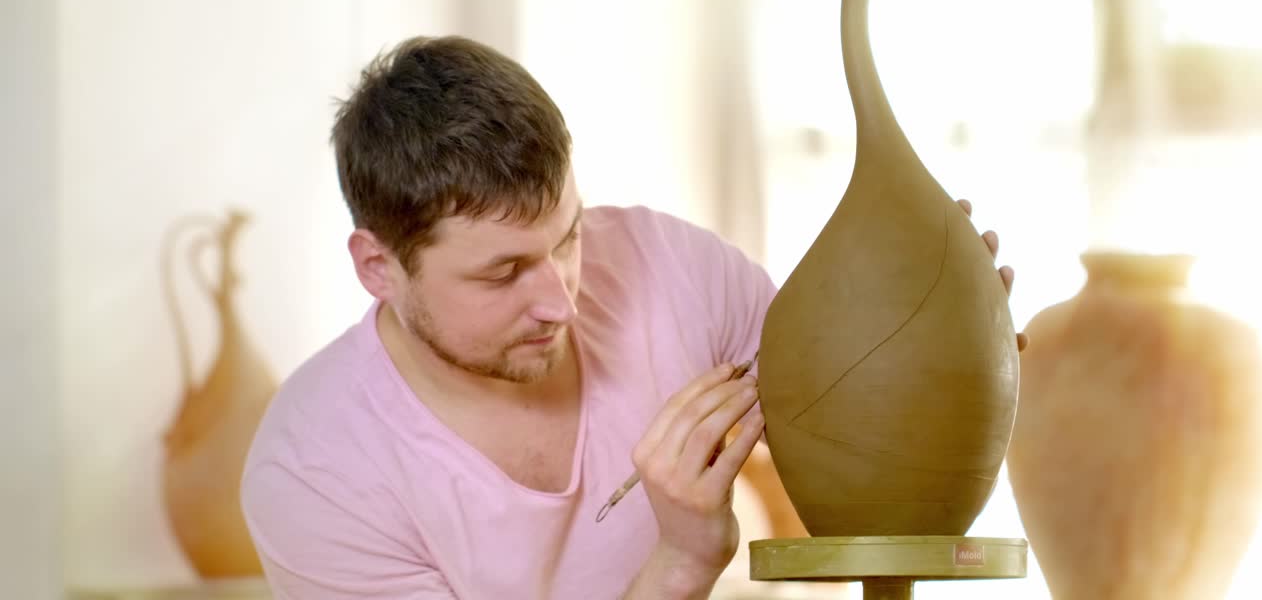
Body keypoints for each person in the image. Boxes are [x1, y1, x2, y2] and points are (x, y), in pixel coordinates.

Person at [240, 35, 1024, 599]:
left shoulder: (670, 267)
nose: (560, 300)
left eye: (568, 238)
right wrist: (680, 563)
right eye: (502, 273)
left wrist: (938, 338)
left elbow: (853, 402)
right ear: (377, 267)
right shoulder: (317, 472)